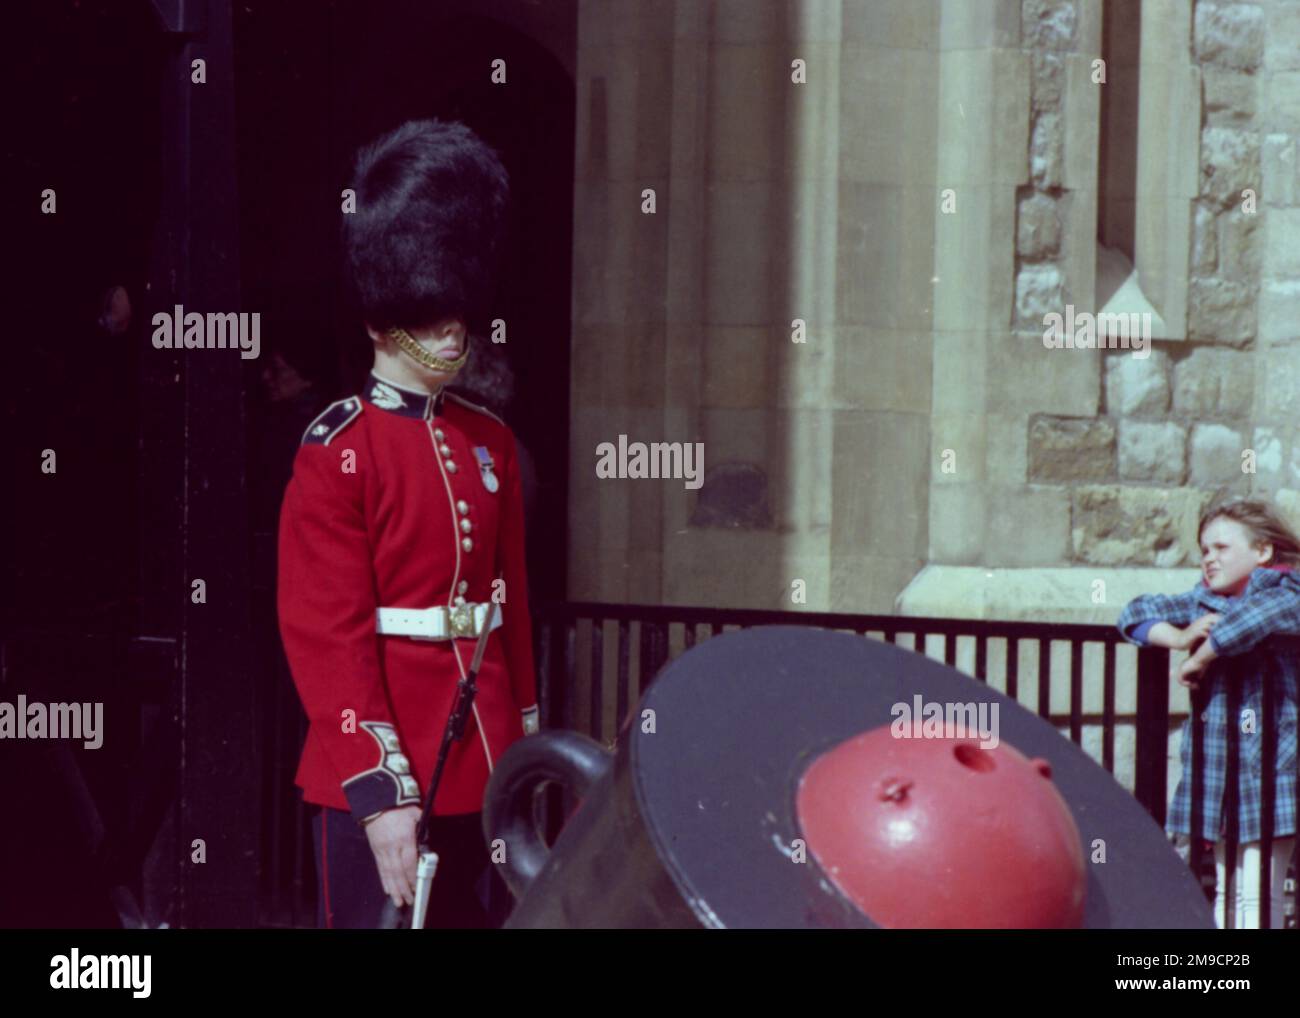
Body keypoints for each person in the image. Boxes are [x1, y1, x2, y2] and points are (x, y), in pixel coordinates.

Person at [277, 119, 538, 929]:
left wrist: (524, 758)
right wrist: (381, 790)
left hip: (483, 767)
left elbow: (511, 613)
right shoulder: (338, 448)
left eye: (454, 310)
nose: (450, 329)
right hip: (385, 772)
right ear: (378, 320)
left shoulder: (488, 441)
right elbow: (328, 636)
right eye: (429, 316)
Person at [1117, 497, 1300, 929]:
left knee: (1259, 892)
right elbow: (1134, 612)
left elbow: (1253, 620)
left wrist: (1200, 658)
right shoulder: (1203, 602)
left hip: (1275, 769)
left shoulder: (1290, 591)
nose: (1209, 560)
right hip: (1217, 772)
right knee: (1226, 889)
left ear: (1262, 552)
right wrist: (1180, 639)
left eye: (1221, 548)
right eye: (1204, 550)